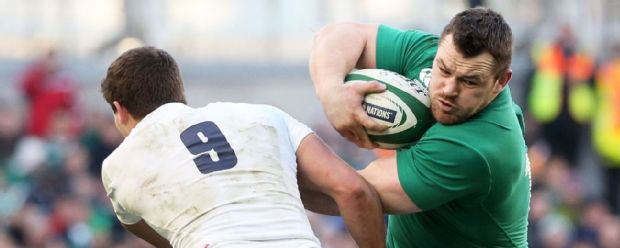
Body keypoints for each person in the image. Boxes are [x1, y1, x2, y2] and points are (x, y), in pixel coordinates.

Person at [99, 47, 385, 247]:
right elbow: (353, 190)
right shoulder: (265, 115)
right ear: (179, 91)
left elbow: (141, 226)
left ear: (118, 109)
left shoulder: (116, 165)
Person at [307, 7, 531, 247]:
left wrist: (281, 163)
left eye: (469, 81)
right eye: (443, 69)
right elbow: (335, 35)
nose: (448, 90)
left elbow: (350, 192)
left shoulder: (479, 146)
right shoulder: (433, 52)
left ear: (501, 81)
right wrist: (331, 91)